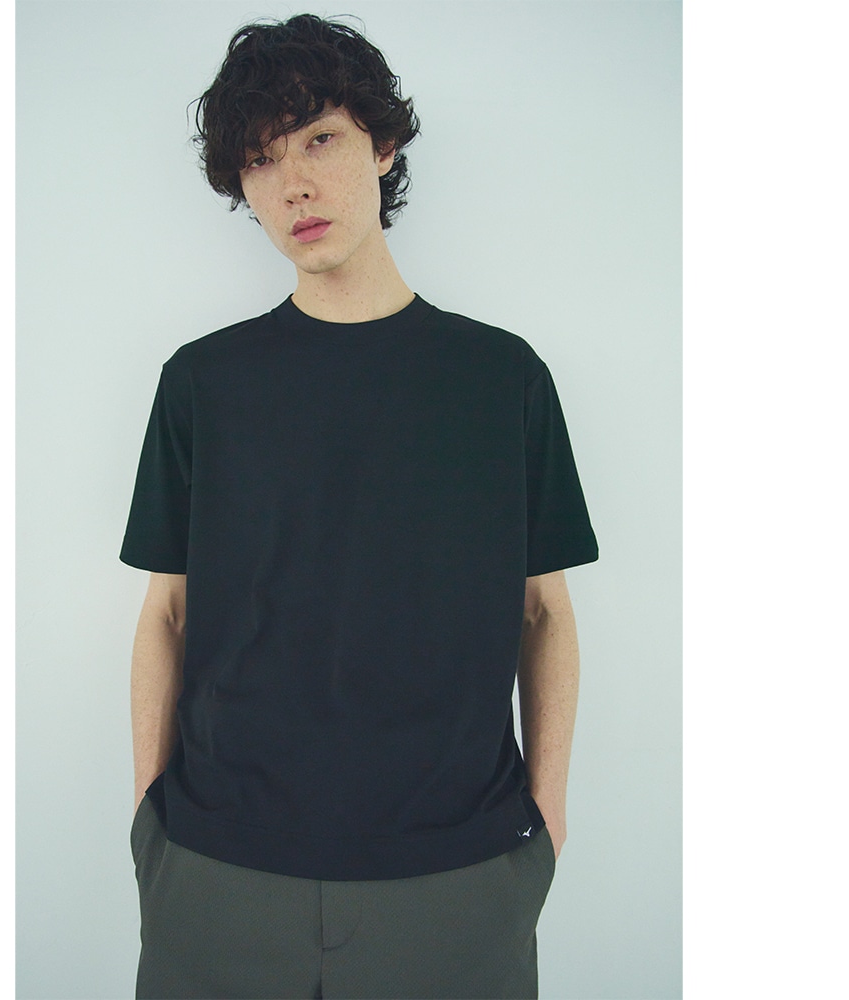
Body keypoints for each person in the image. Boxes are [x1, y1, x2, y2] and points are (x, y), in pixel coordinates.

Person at [120, 13, 598, 1000]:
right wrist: (148, 822)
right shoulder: (202, 382)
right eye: (262, 160)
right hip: (216, 873)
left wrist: (545, 821)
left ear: (382, 146)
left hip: (459, 879)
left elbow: (543, 612)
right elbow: (167, 612)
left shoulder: (501, 377)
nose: (293, 183)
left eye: (320, 138)